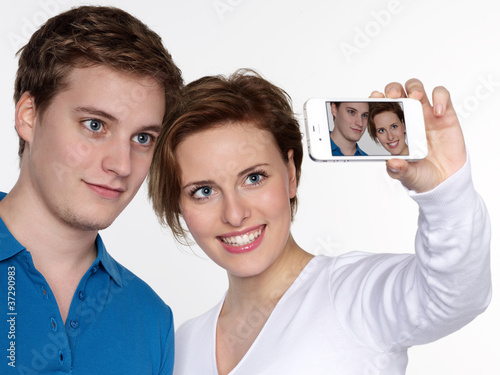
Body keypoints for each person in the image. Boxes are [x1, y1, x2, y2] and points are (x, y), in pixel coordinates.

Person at [149, 70, 491, 375]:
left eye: (253, 178)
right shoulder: (182, 345)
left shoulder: (354, 297)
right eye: (204, 191)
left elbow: (456, 294)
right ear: (178, 203)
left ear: (291, 174)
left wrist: (447, 192)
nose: (235, 214)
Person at [0, 6, 183, 374]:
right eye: (95, 125)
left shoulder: (152, 320)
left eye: (143, 138)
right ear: (29, 116)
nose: (122, 165)